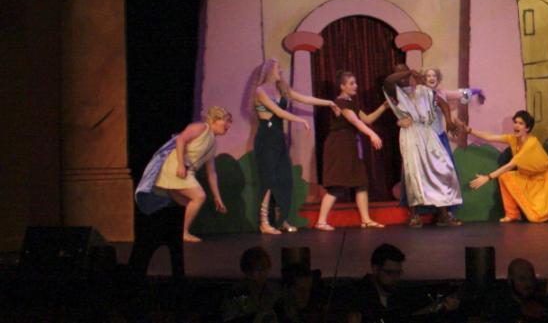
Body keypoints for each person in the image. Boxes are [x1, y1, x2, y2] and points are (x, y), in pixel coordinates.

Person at [250, 58, 339, 234]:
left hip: (278, 137)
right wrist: (300, 119)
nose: (280, 71)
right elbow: (278, 111)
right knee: (269, 179)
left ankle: (280, 219)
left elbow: (305, 99)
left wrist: (329, 102)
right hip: (266, 137)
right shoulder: (260, 91)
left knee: (283, 179)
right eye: (277, 68)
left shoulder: (282, 89)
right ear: (269, 70)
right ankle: (264, 222)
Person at [134, 105, 231, 242]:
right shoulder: (201, 127)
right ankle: (182, 233)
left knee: (188, 204)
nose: (228, 125)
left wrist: (217, 197)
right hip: (175, 167)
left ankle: (170, 232)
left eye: (230, 122)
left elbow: (211, 173)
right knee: (199, 196)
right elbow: (180, 139)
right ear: (215, 120)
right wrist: (180, 164)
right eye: (226, 121)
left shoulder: (213, 142)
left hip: (187, 171)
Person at [383, 65, 463, 227]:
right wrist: (406, 72)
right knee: (414, 173)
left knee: (442, 168)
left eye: (405, 72)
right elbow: (388, 81)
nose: (403, 77)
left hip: (427, 132)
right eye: (399, 73)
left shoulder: (422, 90)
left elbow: (442, 104)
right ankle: (414, 215)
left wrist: (448, 121)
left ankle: (443, 214)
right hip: (410, 133)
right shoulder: (395, 91)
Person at [312, 70, 387, 231]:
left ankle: (366, 220)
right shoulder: (340, 102)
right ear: (342, 86)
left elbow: (367, 119)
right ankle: (321, 221)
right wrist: (372, 134)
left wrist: (384, 106)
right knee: (337, 185)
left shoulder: (350, 102)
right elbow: (355, 121)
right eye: (351, 83)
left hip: (350, 144)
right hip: (339, 145)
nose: (355, 86)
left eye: (355, 82)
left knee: (361, 182)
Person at [468, 110, 548, 223]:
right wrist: (469, 130)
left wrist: (488, 177)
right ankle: (512, 214)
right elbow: (490, 137)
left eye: (521, 123)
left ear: (527, 128)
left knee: (535, 218)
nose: (516, 125)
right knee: (505, 177)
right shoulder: (513, 139)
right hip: (528, 178)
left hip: (546, 182)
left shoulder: (531, 144)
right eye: (515, 122)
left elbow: (511, 165)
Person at [342, 243, 461, 322]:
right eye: (390, 273)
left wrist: (435, 309)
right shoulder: (357, 293)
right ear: (375, 269)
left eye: (398, 273)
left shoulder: (395, 293)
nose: (395, 278)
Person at [219, 246, 278, 323]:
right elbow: (229, 318)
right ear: (248, 271)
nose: (263, 273)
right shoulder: (236, 293)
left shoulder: (273, 291)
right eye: (258, 268)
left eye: (265, 267)